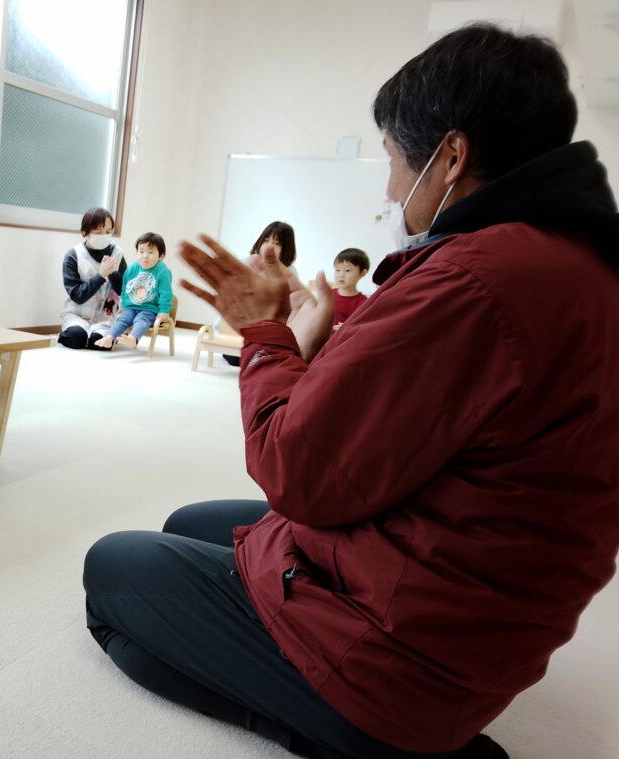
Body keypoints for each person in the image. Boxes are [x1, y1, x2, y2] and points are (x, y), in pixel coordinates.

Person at [84, 23, 618, 759]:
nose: (391, 188)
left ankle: (361, 738)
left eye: (395, 160)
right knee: (189, 521)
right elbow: (399, 428)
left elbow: (298, 470)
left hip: (401, 652)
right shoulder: (576, 264)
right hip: (462, 595)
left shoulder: (470, 282)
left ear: (451, 157)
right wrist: (311, 345)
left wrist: (266, 334)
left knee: (111, 572)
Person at [222, 221, 297, 365]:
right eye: (266, 240)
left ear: (287, 249)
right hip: (240, 326)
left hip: (269, 328)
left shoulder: (289, 272)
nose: (269, 246)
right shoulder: (247, 262)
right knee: (234, 357)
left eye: (277, 243)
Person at [58, 207, 128, 350]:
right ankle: (72, 333)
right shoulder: (73, 255)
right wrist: (101, 275)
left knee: (99, 343)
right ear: (85, 232)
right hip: (77, 315)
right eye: (98, 231)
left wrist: (113, 273)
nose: (104, 236)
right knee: (77, 337)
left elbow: (125, 291)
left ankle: (99, 335)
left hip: (105, 318)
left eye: (108, 231)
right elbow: (77, 295)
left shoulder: (117, 254)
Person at [94, 232, 173, 350]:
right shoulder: (132, 268)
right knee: (122, 319)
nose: (145, 256)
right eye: (141, 251)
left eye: (150, 252)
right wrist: (123, 304)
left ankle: (133, 338)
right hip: (131, 307)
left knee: (141, 319)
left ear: (161, 255)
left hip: (150, 309)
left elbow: (166, 293)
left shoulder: (162, 271)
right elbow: (126, 288)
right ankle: (109, 338)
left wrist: (164, 311)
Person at [331, 247, 370, 330]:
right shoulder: (327, 295)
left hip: (343, 337)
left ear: (362, 273)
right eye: (337, 270)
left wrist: (350, 328)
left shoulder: (363, 303)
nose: (341, 274)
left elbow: (363, 327)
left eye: (347, 270)